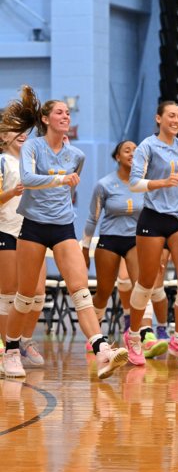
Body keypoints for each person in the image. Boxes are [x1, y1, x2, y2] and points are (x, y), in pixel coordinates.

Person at [0, 85, 128, 379]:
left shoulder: (76, 154)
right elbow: (30, 179)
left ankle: (102, 351)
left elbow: (73, 178)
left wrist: (64, 183)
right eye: (59, 112)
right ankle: (11, 351)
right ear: (45, 119)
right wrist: (59, 181)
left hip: (63, 225)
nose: (65, 116)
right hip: (32, 226)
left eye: (68, 113)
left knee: (81, 291)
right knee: (25, 296)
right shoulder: (32, 147)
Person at [128, 100, 178, 367]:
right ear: (158, 118)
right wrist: (161, 183)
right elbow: (135, 183)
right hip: (153, 218)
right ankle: (134, 337)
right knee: (146, 282)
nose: (177, 120)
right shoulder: (147, 146)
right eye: (171, 115)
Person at [82, 141, 167, 359]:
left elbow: (157, 214)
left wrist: (161, 247)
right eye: (127, 150)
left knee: (142, 286)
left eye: (136, 151)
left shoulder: (146, 184)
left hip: (136, 240)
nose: (132, 154)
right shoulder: (104, 184)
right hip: (109, 240)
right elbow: (93, 217)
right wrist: (84, 247)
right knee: (103, 292)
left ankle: (143, 334)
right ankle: (95, 335)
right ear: (118, 157)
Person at [0, 130, 47, 370]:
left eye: (24, 129)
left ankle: (24, 340)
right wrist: (12, 192)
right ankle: (8, 349)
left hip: (33, 232)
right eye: (13, 129)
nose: (21, 134)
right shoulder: (2, 161)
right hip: (6, 230)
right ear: (2, 135)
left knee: (38, 295)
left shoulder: (33, 162)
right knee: (8, 296)